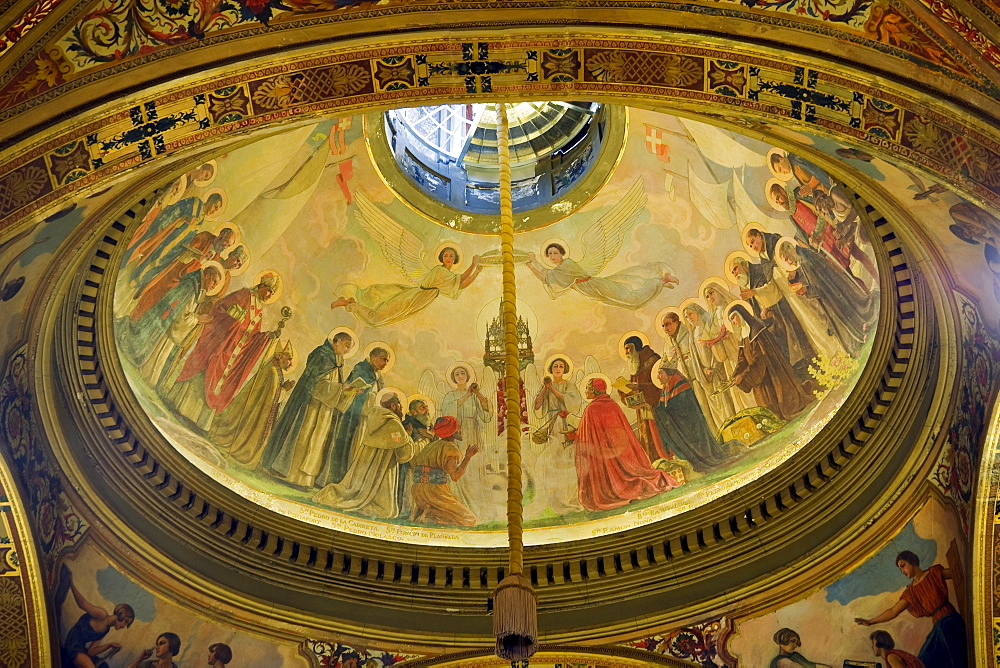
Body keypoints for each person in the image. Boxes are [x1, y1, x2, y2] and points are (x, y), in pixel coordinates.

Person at [172, 272, 282, 420]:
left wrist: (267, 336)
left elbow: (252, 336)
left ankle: (194, 417)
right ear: (261, 286)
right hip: (219, 344)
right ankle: (178, 404)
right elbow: (218, 308)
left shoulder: (259, 310)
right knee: (206, 371)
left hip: (231, 353)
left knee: (217, 381)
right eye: (269, 290)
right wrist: (231, 321)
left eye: (273, 293)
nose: (270, 295)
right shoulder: (244, 295)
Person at [566, 377, 681, 512]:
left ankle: (619, 490)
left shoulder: (591, 409)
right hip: (621, 454)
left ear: (593, 390)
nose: (585, 391)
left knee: (609, 490)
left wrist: (573, 433)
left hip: (605, 456)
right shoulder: (613, 405)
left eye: (587, 388)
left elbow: (587, 439)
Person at [261, 332, 356, 488]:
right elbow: (316, 384)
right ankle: (290, 474)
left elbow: (333, 384)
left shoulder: (338, 361)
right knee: (303, 437)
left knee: (316, 442)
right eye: (346, 346)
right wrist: (341, 388)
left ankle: (304, 480)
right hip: (310, 406)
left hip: (324, 409)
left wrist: (347, 391)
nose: (347, 351)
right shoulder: (322, 355)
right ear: (337, 341)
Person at [854, 550, 968, 667]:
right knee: (923, 660)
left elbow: (960, 572)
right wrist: (870, 621)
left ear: (912, 561)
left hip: (950, 620)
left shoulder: (934, 573)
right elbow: (893, 611)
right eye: (900, 569)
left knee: (952, 651)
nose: (902, 571)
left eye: (903, 566)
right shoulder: (911, 592)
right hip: (938, 626)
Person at [314, 392, 416, 518]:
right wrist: (408, 435)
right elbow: (404, 454)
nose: (402, 408)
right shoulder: (394, 423)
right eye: (400, 405)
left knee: (356, 492)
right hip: (381, 468)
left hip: (365, 463)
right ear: (394, 406)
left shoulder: (374, 417)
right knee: (386, 511)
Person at [331, 246, 483, 327]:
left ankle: (351, 302)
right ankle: (349, 303)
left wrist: (476, 272)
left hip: (415, 303)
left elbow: (461, 286)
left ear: (455, 258)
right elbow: (461, 279)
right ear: (441, 258)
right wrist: (473, 265)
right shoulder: (439, 271)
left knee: (378, 318)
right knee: (376, 318)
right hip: (410, 299)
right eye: (446, 255)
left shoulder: (448, 277)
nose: (448, 258)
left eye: (451, 256)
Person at [211, 339, 295, 467]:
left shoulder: (275, 370)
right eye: (289, 359)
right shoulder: (272, 372)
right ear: (279, 356)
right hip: (256, 413)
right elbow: (271, 398)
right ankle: (243, 448)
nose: (290, 363)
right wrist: (285, 389)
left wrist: (282, 387)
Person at [526, 242, 678, 309]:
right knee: (632, 305)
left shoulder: (567, 265)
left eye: (555, 253)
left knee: (631, 299)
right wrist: (530, 266)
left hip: (597, 286)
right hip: (594, 292)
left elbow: (547, 274)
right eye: (550, 254)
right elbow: (546, 280)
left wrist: (534, 260)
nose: (552, 256)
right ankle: (660, 284)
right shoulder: (558, 272)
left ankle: (662, 279)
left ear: (561, 254)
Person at [728, 303, 811, 421]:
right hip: (757, 374)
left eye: (733, 317)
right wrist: (735, 375)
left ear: (741, 315)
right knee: (768, 411)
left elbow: (760, 358)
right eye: (731, 320)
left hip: (770, 372)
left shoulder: (756, 330)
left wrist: (745, 376)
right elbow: (742, 359)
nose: (733, 322)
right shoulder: (743, 334)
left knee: (781, 405)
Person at [322, 347, 388, 486]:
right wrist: (356, 390)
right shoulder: (361, 368)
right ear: (373, 356)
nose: (385, 363)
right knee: (342, 443)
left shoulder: (378, 376)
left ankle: (348, 482)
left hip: (365, 418)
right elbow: (348, 388)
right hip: (352, 413)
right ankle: (333, 478)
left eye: (387, 360)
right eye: (383, 359)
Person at [441, 364, 497, 522]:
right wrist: (467, 394)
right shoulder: (450, 396)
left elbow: (487, 412)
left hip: (473, 433)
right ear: (453, 378)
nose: (460, 376)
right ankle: (462, 506)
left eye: (462, 373)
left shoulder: (474, 395)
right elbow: (448, 412)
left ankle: (479, 508)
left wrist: (477, 393)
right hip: (458, 435)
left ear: (467, 376)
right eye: (457, 374)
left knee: (475, 469)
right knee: (461, 467)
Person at [652, 364, 733, 472]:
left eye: (660, 373)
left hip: (693, 428)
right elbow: (665, 408)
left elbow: (682, 411)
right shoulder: (666, 389)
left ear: (669, 372)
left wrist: (658, 411)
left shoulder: (680, 384)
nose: (658, 377)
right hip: (684, 428)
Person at [530, 357, 583, 515]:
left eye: (561, 366)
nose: (558, 369)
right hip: (553, 425)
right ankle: (556, 498)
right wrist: (545, 388)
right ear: (551, 370)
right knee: (554, 461)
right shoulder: (546, 387)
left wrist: (551, 388)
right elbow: (537, 405)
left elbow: (571, 403)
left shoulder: (569, 385)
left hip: (565, 422)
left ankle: (570, 497)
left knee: (567, 460)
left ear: (565, 369)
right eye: (555, 366)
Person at [410, 416, 480, 526]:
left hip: (417, 491)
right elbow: (455, 477)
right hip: (434, 491)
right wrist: (468, 457)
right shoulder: (450, 449)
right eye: (458, 428)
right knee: (470, 520)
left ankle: (422, 510)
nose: (460, 431)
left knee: (446, 519)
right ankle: (431, 512)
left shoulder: (431, 446)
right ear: (451, 432)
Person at [661, 310, 720, 434]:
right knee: (695, 414)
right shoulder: (668, 342)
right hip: (683, 383)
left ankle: (718, 434)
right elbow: (665, 363)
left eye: (668, 324)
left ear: (676, 322)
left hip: (697, 376)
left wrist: (704, 368)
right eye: (663, 326)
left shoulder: (688, 332)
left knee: (706, 408)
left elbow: (701, 353)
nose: (665, 328)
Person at [60, 576, 135, 668]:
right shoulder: (102, 615)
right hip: (73, 642)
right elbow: (82, 604)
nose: (124, 626)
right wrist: (71, 583)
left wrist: (109, 645)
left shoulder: (105, 630)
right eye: (126, 621)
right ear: (121, 614)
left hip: (80, 647)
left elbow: (91, 651)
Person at [621, 335, 669, 461]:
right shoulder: (635, 365)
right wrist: (624, 390)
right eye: (625, 349)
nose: (626, 352)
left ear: (636, 347)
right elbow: (635, 387)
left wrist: (639, 386)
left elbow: (661, 385)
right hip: (643, 409)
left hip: (656, 407)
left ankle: (666, 458)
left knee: (658, 435)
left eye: (628, 348)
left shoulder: (652, 360)